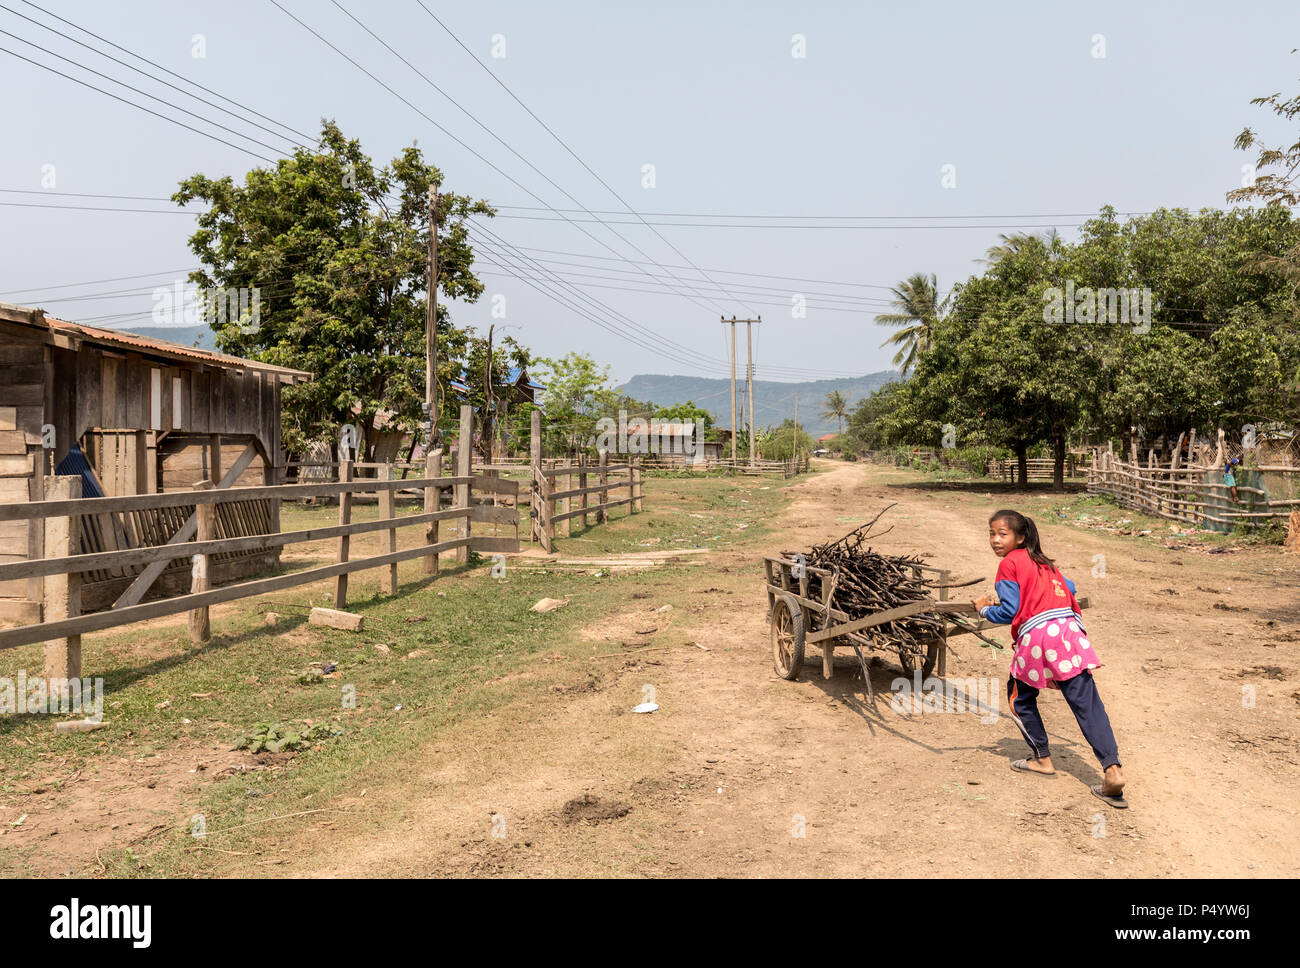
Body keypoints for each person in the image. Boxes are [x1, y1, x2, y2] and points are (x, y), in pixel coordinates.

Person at [972, 510, 1128, 809]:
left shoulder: (1008, 564)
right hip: (1070, 634)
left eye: (1002, 534)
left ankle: (1042, 759)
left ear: (1020, 537)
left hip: (1039, 638)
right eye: (991, 534)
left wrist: (983, 609)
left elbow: (1008, 611)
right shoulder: (1046, 563)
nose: (995, 540)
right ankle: (1113, 770)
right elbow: (1070, 588)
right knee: (1088, 705)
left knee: (1019, 696)